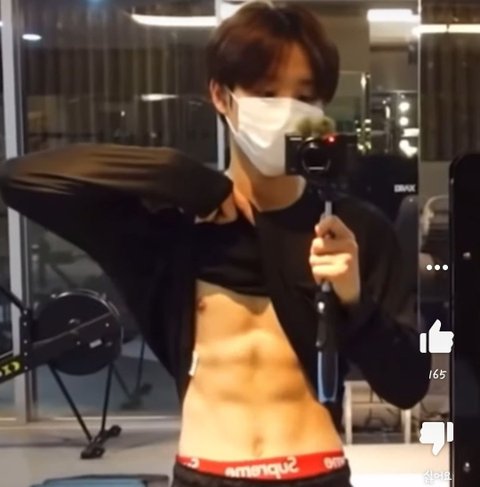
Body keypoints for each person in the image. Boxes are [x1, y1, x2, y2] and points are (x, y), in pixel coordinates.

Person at [0, 2, 430, 486]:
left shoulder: (351, 229)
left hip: (316, 471)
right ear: (221, 96)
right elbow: (21, 178)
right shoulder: (176, 227)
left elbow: (408, 385)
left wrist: (354, 301)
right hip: (207, 472)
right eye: (266, 92)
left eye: (306, 96)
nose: (287, 109)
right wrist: (177, 174)